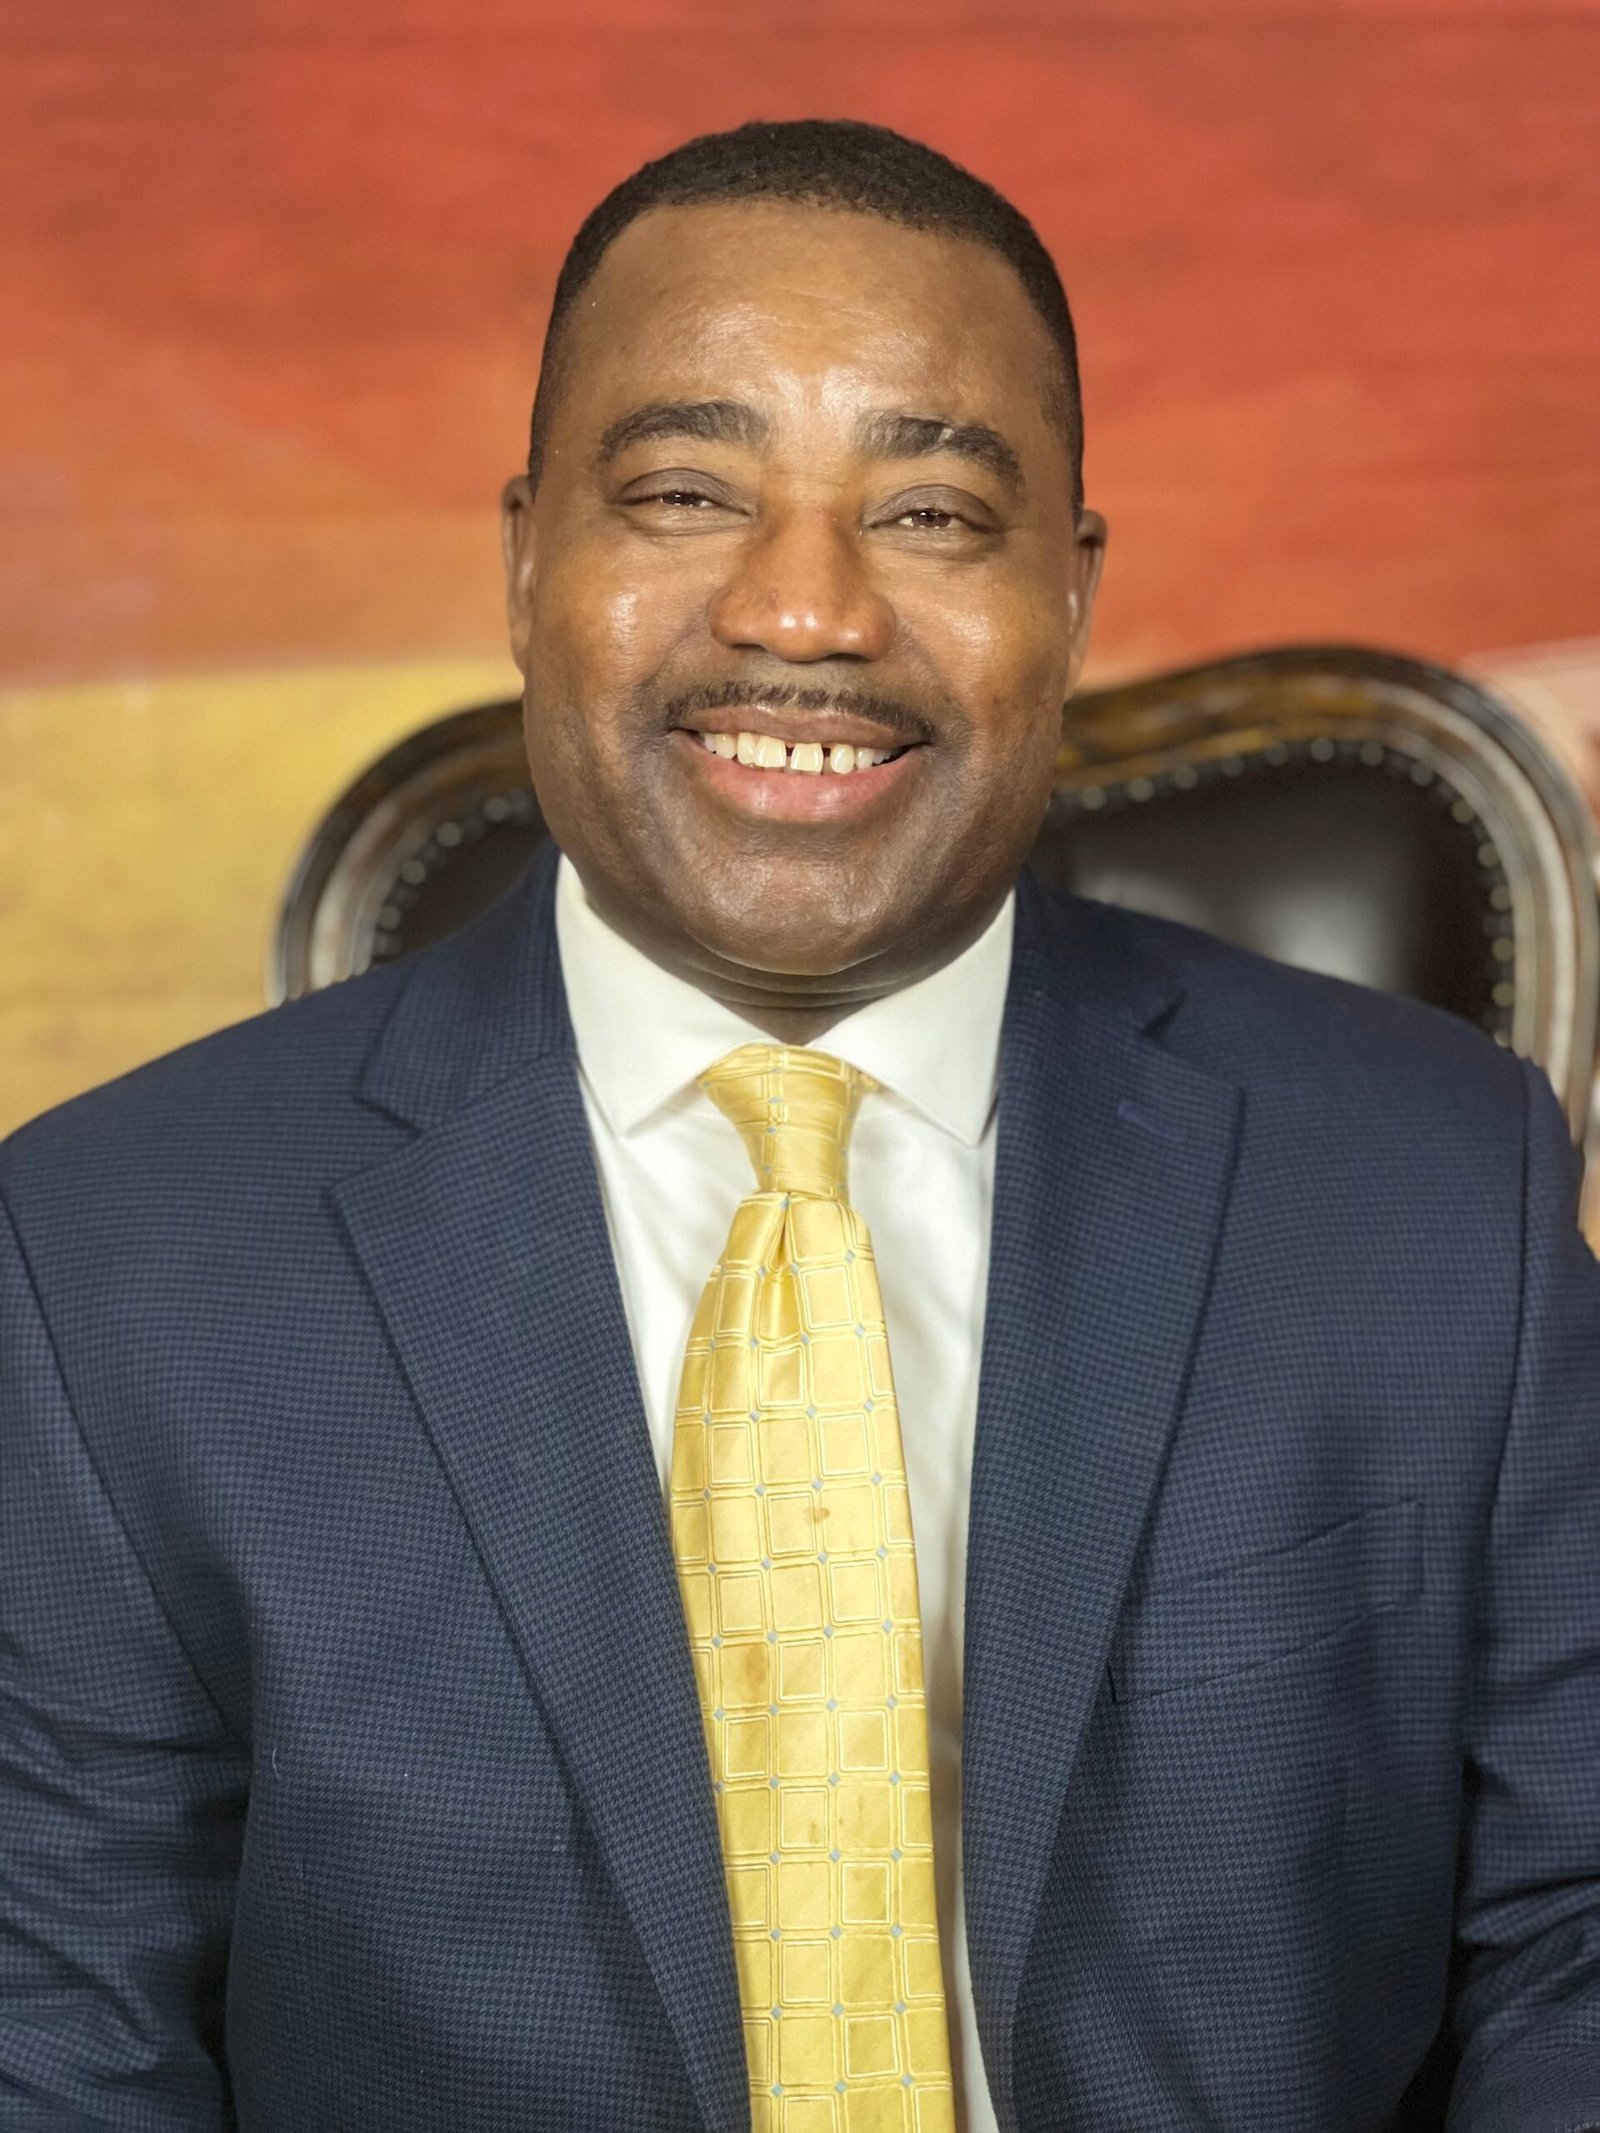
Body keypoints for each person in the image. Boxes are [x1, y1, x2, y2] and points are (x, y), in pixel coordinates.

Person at [1, 116, 1596, 2133]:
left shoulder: (1435, 1191)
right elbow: (58, 2044)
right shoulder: (107, 1267)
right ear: (526, 561)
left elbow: (1572, 1937)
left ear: (1070, 592)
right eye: (686, 492)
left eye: (929, 512)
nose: (805, 612)